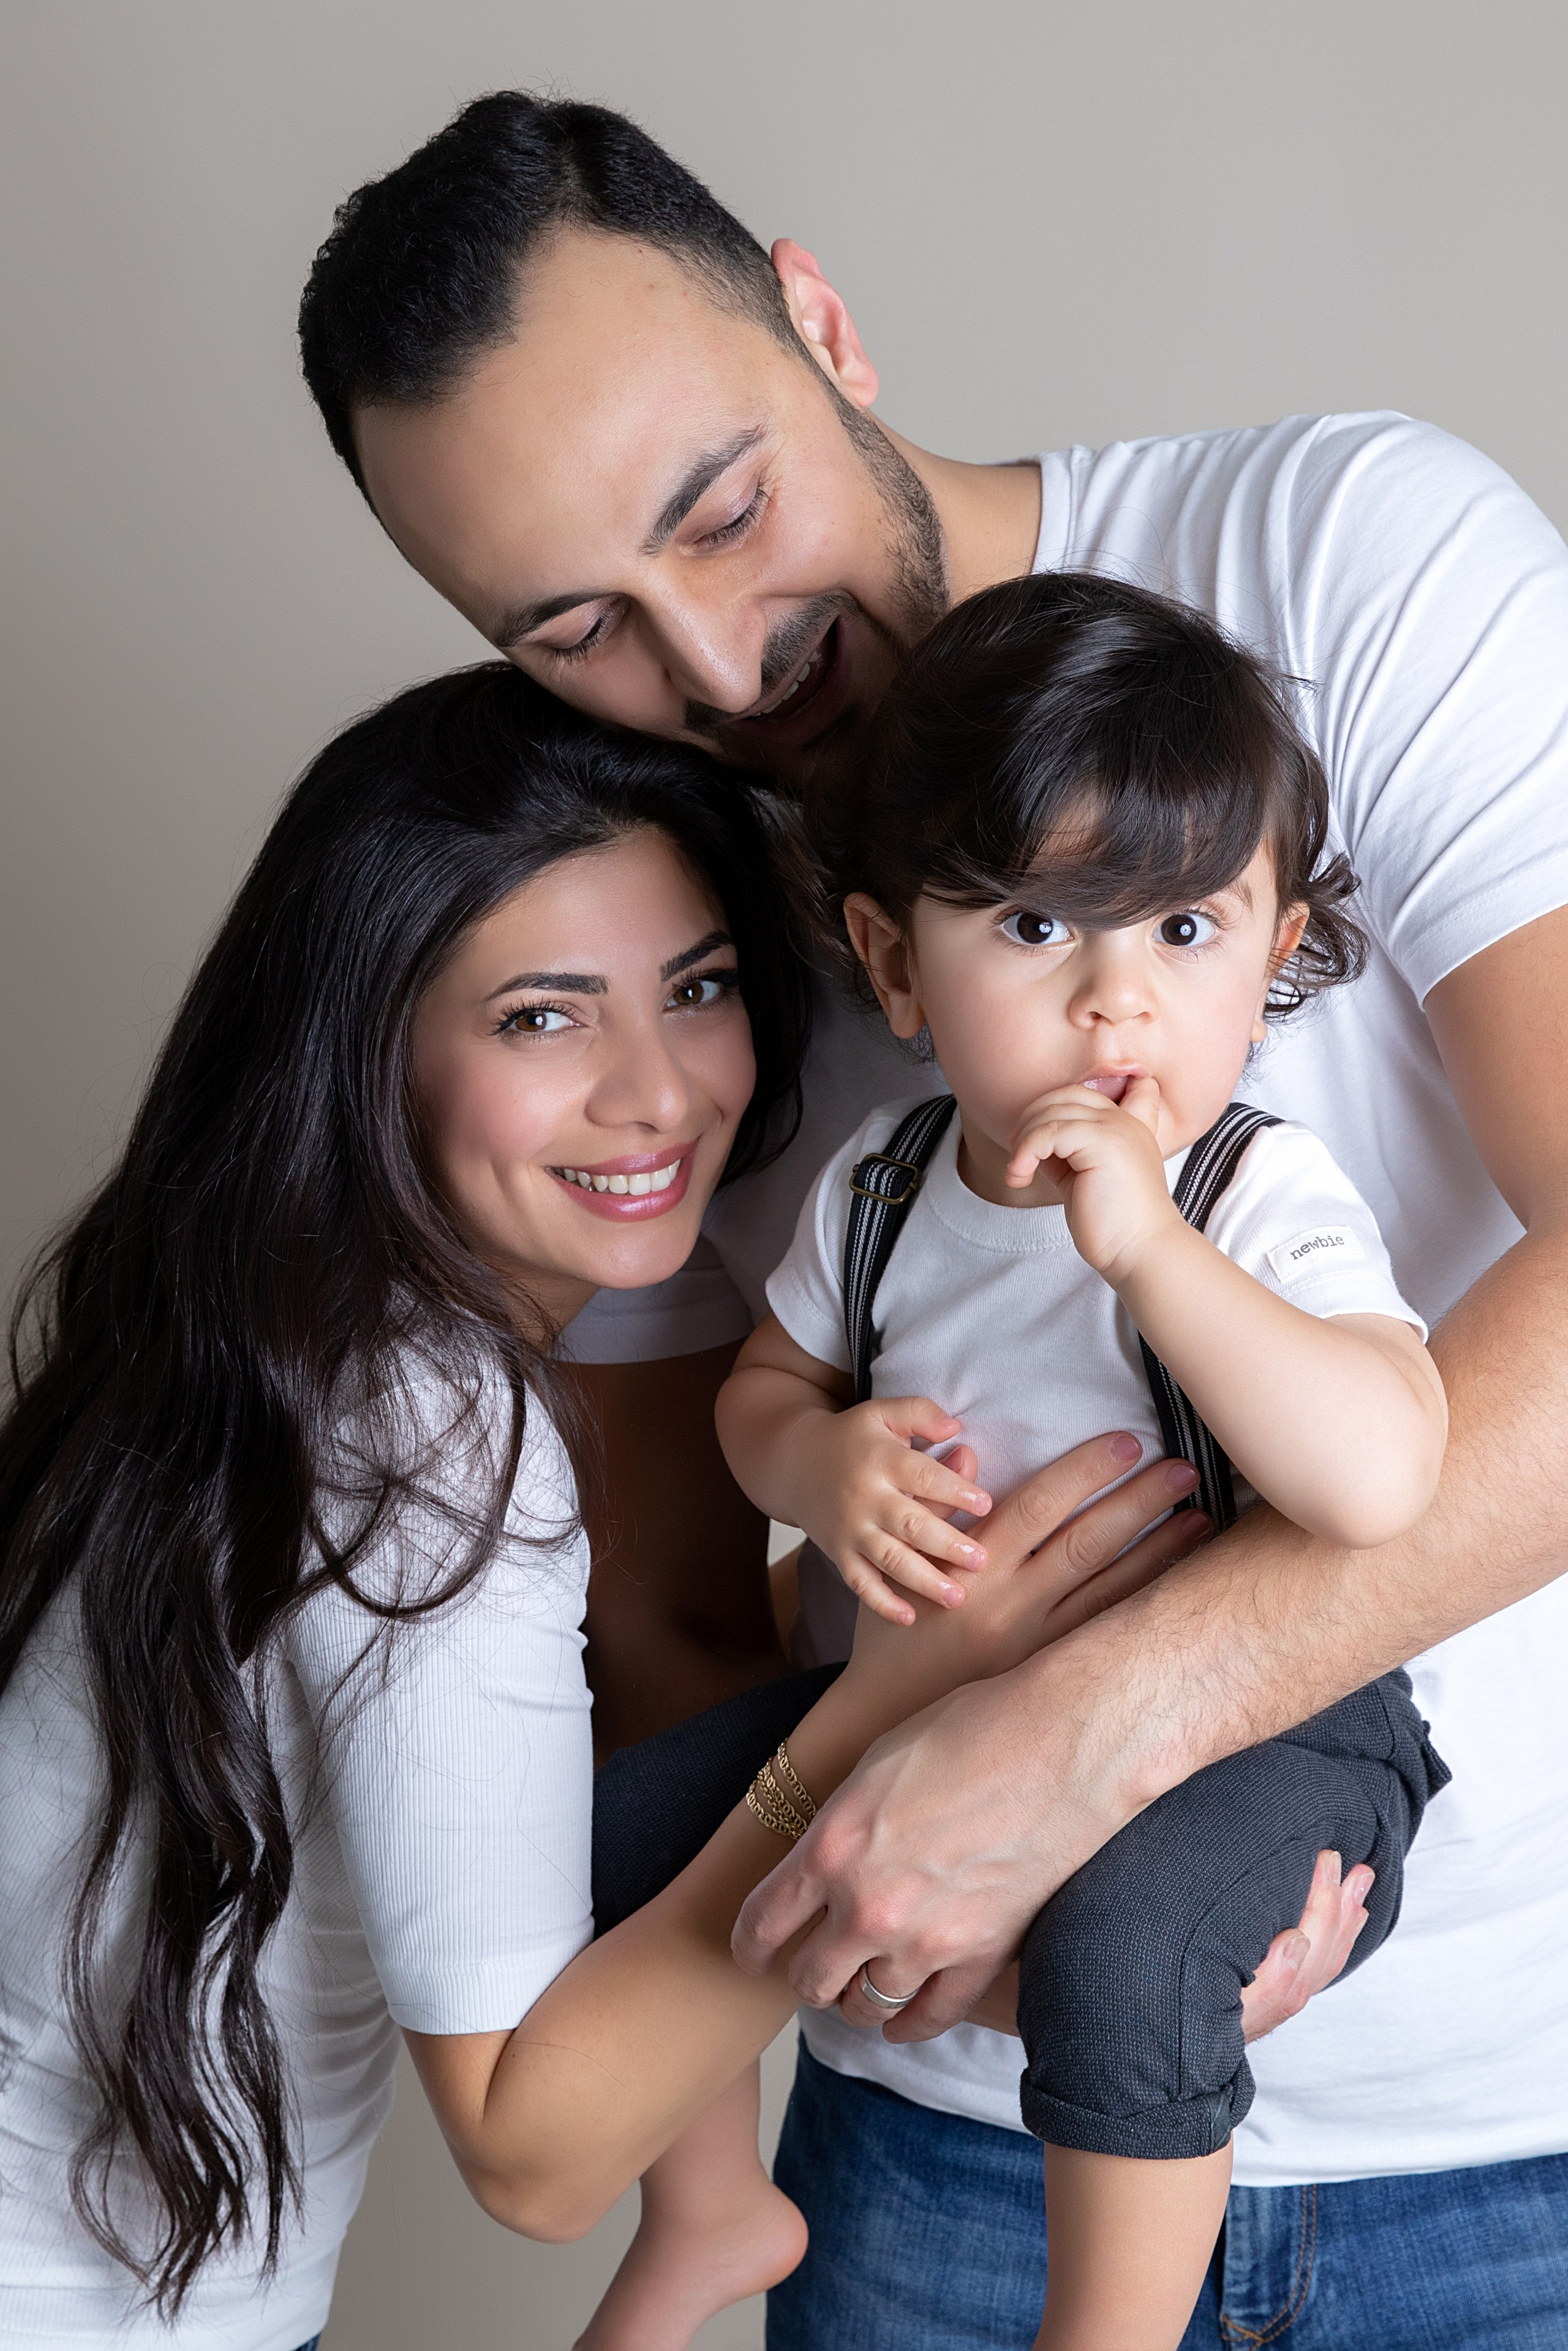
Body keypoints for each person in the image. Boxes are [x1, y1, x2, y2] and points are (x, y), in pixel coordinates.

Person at [295, 92, 1568, 2346]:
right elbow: (673, 1619)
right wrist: (897, 1814)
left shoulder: (1340, 566)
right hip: (935, 2151)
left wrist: (1078, 1748)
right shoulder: (649, 960)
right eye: (574, 621)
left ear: (821, 321)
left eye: (724, 507)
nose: (710, 664)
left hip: (1506, 2143)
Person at [2, 665, 1208, 2351]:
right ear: (372, 1048)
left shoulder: (252, 1326)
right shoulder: (423, 1436)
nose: (656, 1092)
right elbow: (537, 2156)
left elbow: (479, 1755)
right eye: (543, 1015)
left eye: (697, 988)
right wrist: (899, 1699)